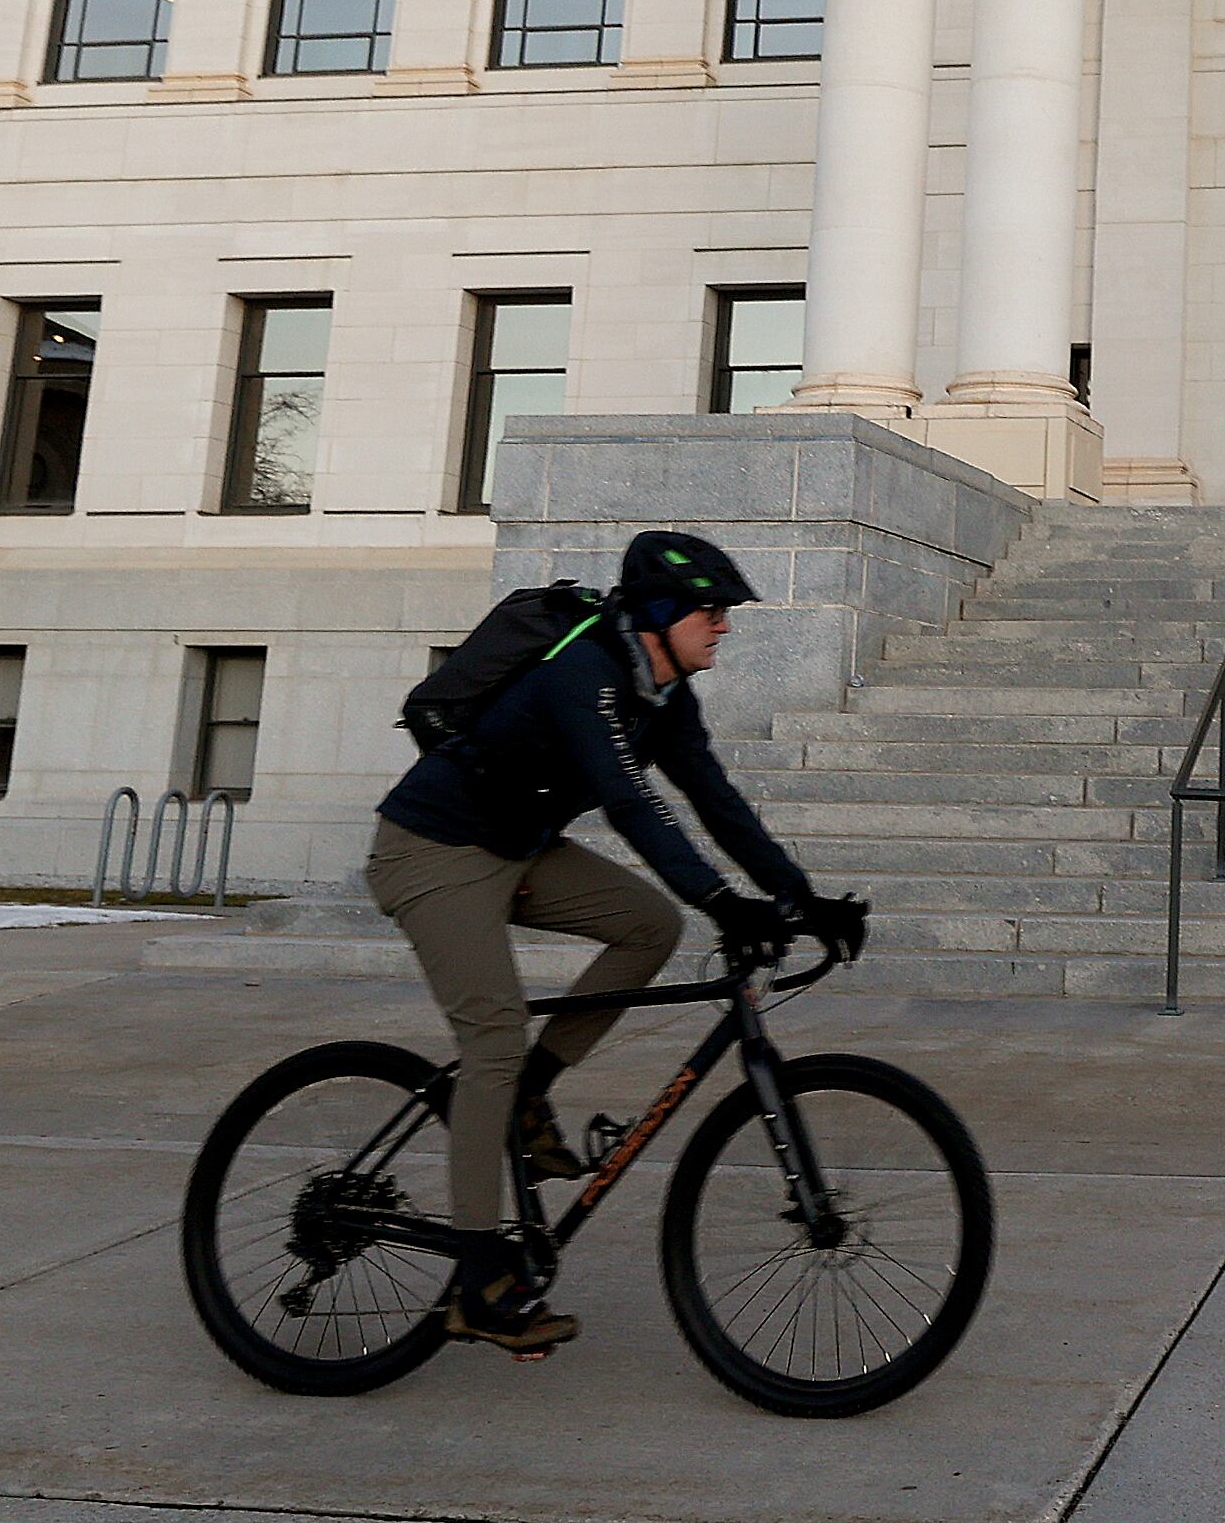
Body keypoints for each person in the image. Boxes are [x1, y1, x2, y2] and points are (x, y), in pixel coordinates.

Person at [365, 527, 870, 1352]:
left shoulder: (663, 694)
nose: (724, 625)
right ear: (662, 613)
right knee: (490, 1037)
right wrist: (721, 901)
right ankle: (476, 1280)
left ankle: (530, 1091)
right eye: (710, 609)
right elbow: (633, 807)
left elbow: (717, 802)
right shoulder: (586, 673)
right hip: (432, 851)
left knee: (648, 925)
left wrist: (799, 896)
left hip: (515, 848)